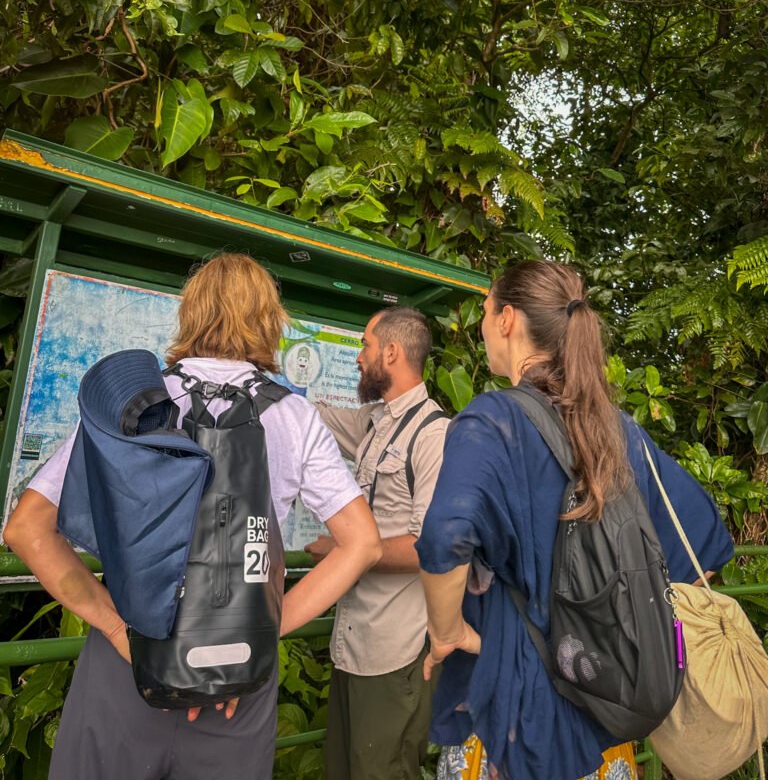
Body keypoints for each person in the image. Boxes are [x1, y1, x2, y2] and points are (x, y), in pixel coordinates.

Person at [3, 252, 381, 780]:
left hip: (130, 664)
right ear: (270, 322)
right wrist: (264, 634)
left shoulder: (138, 403)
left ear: (192, 313)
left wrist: (116, 627)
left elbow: (26, 528)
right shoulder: (295, 417)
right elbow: (363, 544)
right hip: (236, 672)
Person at [415, 260, 734, 780]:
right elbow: (701, 552)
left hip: (515, 724)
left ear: (507, 319)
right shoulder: (620, 431)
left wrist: (447, 632)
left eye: (485, 309)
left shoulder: (492, 422)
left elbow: (444, 537)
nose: (482, 324)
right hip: (607, 721)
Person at [306, 306, 449, 780]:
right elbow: (313, 419)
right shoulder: (375, 423)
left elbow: (429, 547)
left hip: (395, 650)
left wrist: (349, 551)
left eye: (365, 344)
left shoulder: (433, 435)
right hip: (353, 643)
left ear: (391, 352)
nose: (358, 357)